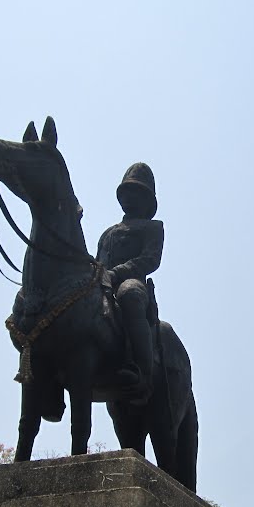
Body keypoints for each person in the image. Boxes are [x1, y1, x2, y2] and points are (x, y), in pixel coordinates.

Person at [96, 163, 163, 398]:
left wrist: (116, 274)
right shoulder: (108, 232)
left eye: (136, 192)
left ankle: (142, 373)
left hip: (132, 283)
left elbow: (150, 259)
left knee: (129, 295)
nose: (129, 196)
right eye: (126, 191)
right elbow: (98, 261)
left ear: (146, 200)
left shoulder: (153, 228)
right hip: (101, 284)